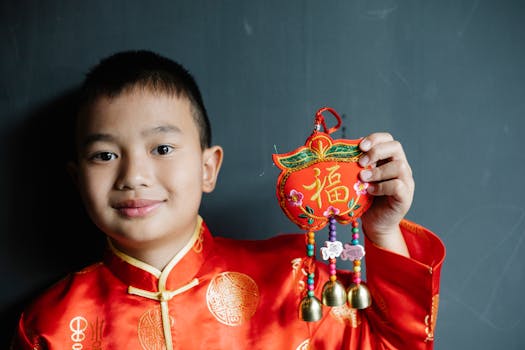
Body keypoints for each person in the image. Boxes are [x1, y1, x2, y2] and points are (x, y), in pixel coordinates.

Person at [12, 50, 445, 350]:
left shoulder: (295, 282)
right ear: (76, 178)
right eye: (105, 155)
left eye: (161, 149)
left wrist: (382, 232)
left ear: (208, 168)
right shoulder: (48, 327)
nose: (134, 176)